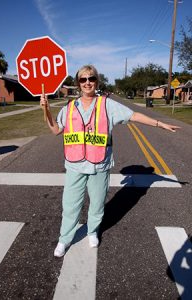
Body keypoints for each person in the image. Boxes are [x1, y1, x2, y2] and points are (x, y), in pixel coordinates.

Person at [40, 64, 180, 257]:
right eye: (83, 79)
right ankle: (64, 239)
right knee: (71, 205)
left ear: (97, 81)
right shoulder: (69, 107)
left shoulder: (107, 104)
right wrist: (45, 110)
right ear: (78, 83)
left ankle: (92, 231)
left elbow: (134, 115)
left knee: (97, 203)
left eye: (91, 78)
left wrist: (159, 123)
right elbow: (56, 129)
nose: (87, 82)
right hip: (75, 164)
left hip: (99, 164)